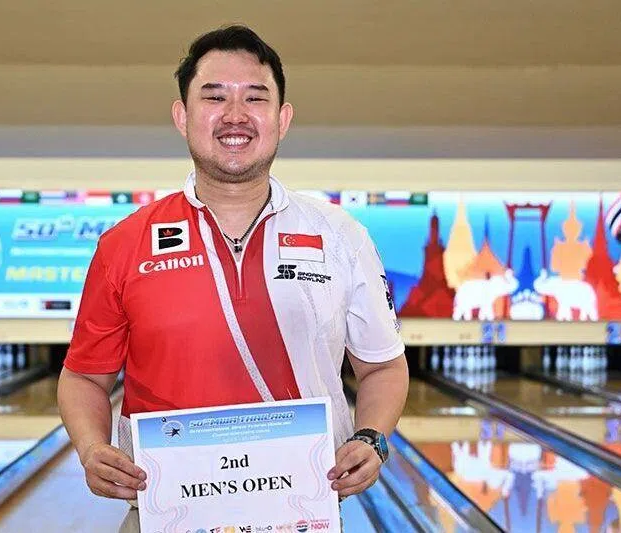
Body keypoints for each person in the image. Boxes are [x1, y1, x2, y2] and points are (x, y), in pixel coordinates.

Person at [57, 24, 410, 530]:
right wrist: (92, 448)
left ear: (282, 119)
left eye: (256, 98)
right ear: (182, 116)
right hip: (165, 513)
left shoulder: (339, 235)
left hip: (303, 513)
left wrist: (371, 437)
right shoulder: (125, 243)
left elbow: (383, 367)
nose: (235, 115)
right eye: (215, 96)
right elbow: (83, 377)